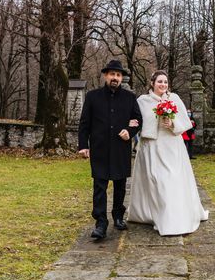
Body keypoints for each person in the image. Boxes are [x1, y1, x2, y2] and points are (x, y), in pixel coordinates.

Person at [127, 70, 208, 236]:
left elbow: (185, 122)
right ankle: (155, 214)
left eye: (165, 82)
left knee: (170, 179)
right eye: (159, 82)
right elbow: (136, 119)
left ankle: (171, 218)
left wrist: (172, 123)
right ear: (152, 83)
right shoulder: (143, 101)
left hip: (171, 146)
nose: (162, 85)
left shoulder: (174, 99)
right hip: (151, 147)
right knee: (155, 181)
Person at [78, 60, 142, 240]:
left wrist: (129, 132)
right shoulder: (92, 96)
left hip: (121, 149)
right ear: (106, 75)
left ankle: (118, 216)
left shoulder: (130, 98)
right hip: (99, 148)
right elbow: (84, 123)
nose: (115, 78)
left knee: (120, 184)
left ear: (122, 78)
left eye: (118, 75)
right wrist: (83, 145)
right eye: (112, 74)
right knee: (100, 186)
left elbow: (138, 120)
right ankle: (100, 222)